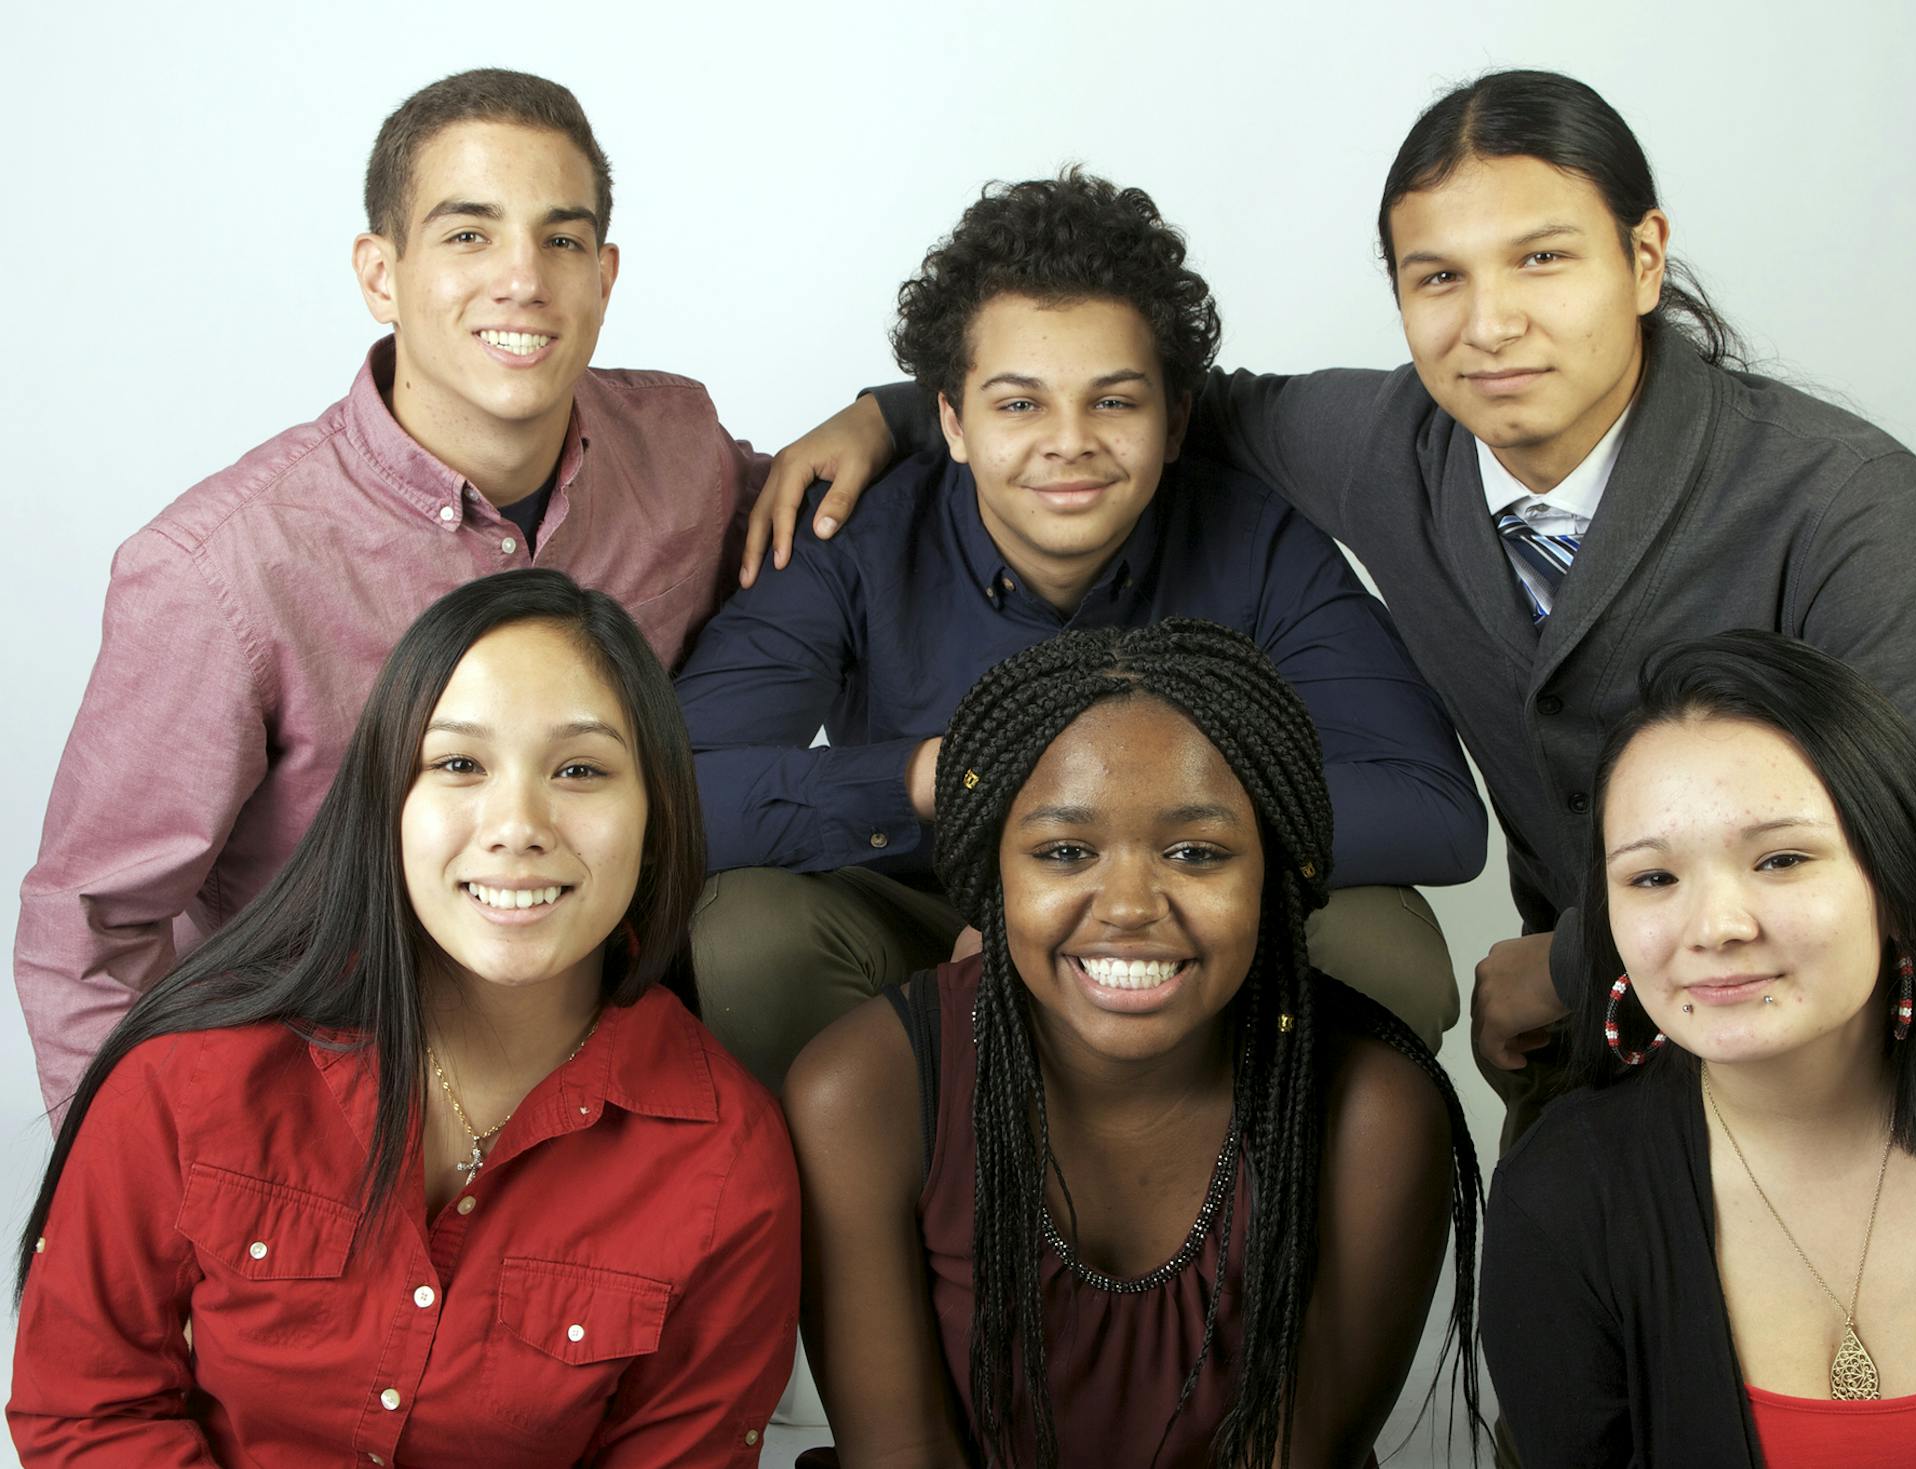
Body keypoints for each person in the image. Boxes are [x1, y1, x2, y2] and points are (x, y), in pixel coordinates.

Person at [743, 68, 1916, 1140]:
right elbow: (1124, 402)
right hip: (1592, 1041)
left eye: (1543, 257)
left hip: (1829, 1013)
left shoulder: (1847, 500)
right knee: (1581, 1360)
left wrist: (1562, 963)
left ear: (1644, 259)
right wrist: (897, 411)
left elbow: (1901, 855)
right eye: (1439, 275)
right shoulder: (1390, 441)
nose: (1491, 322)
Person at [16, 67, 772, 1119]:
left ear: (605, 274)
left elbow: (854, 524)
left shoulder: (683, 454)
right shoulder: (219, 570)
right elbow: (89, 930)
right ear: (381, 272)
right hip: (323, 1085)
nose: (523, 278)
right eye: (469, 235)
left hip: (605, 1070)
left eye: (561, 240)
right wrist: (152, 1203)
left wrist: (895, 417)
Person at [678, 170, 1483, 1091]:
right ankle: (873, 1222)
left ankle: (1273, 1229)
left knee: (1382, 941)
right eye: (1020, 404)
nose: (1070, 441)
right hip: (926, 909)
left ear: (1177, 418)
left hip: (1183, 916)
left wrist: (1140, 840)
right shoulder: (848, 534)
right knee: (746, 929)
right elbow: (671, 790)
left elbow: (1436, 809)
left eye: (1114, 401)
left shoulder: (1259, 538)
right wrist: (935, 777)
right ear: (951, 418)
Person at [8, 570, 800, 1465]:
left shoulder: (726, 1159)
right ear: (387, 800)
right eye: (459, 764)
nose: (517, 825)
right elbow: (84, 1409)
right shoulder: (185, 1074)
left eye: (580, 769)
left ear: (657, 811)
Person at [784, 619, 1482, 1468]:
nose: (1127, 904)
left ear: (1275, 866)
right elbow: (900, 1454)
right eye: (1065, 850)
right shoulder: (863, 1090)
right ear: (991, 868)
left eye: (1196, 852)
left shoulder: (1372, 1112)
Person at [1480, 631, 1916, 1468]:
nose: (1718, 927)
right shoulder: (1559, 1203)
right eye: (1653, 878)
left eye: (1783, 858)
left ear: (1899, 880)